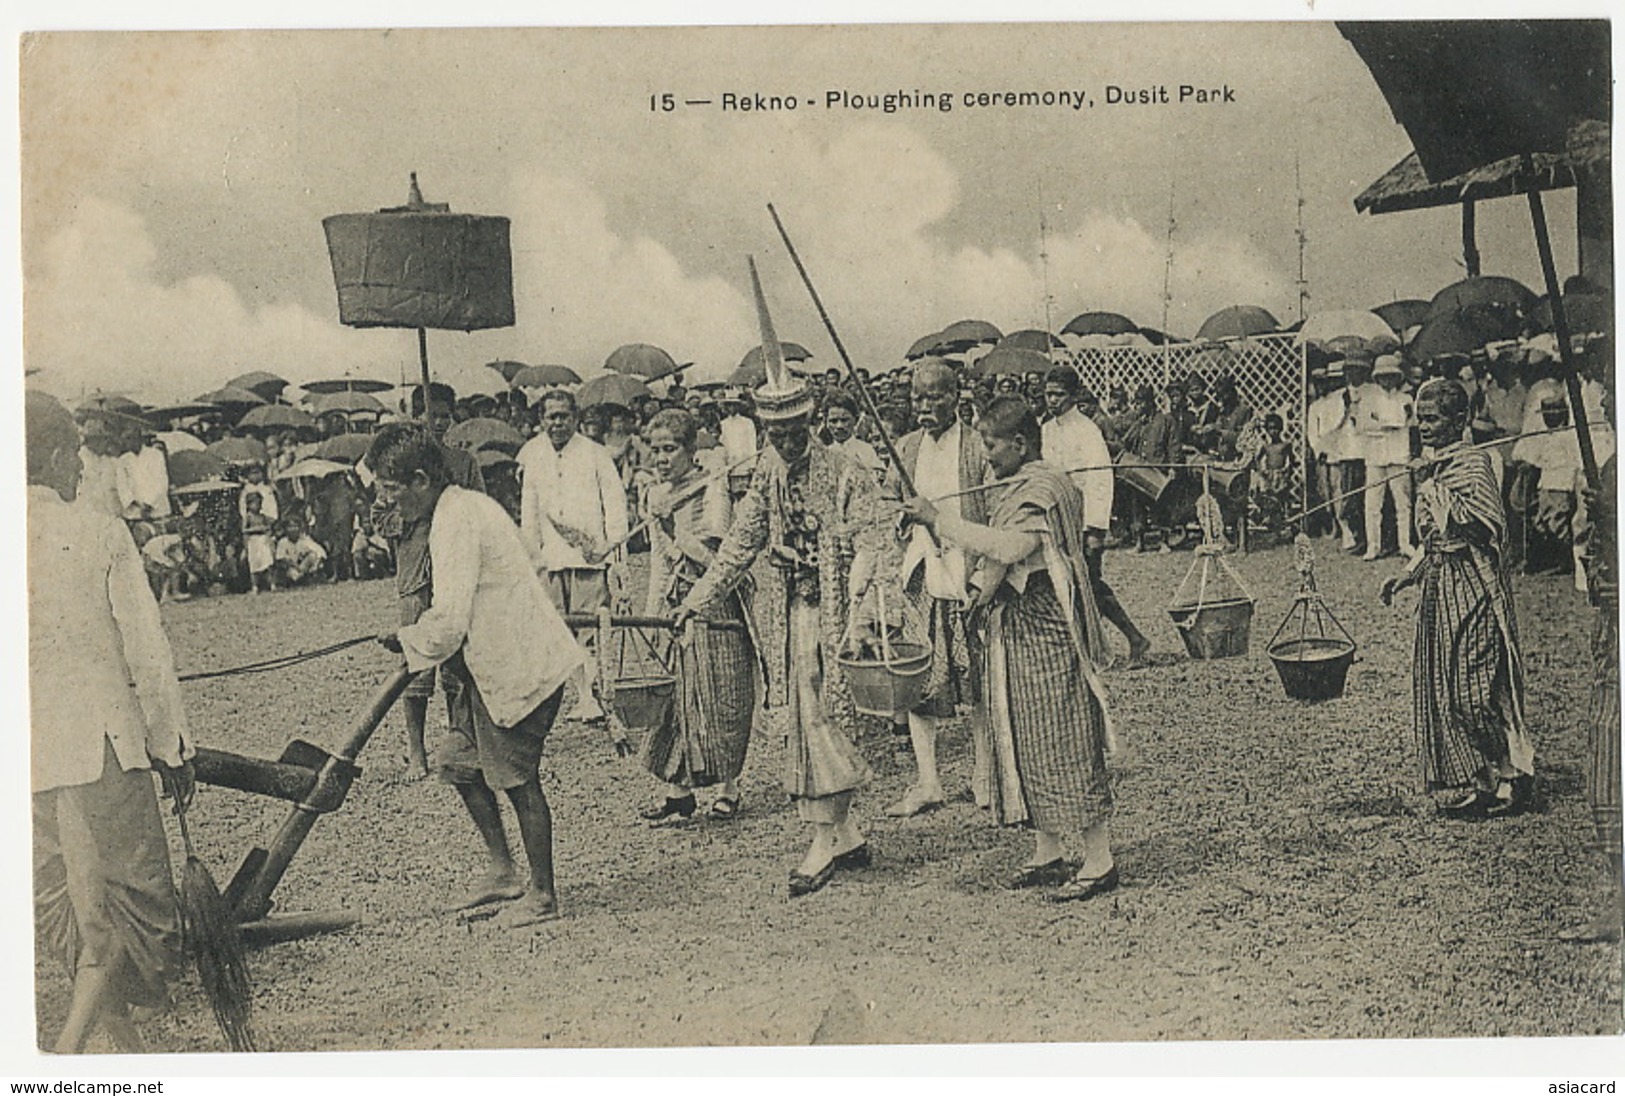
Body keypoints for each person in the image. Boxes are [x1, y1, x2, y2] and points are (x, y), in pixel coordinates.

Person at [672, 355, 892, 897]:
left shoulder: (845, 470)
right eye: (776, 434)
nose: (787, 443)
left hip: (839, 614)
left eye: (795, 432)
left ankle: (822, 840)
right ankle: (845, 833)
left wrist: (863, 611)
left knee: (825, 717)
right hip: (790, 616)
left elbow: (873, 542)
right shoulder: (767, 472)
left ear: (811, 424)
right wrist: (697, 601)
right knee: (802, 715)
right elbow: (739, 545)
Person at [28, 390, 193, 1053]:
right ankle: (69, 1050)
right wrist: (172, 746)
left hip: (30, 756)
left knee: (66, 902)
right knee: (134, 903)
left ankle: (122, 1050)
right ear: (62, 456)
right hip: (103, 747)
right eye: (75, 454)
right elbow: (147, 652)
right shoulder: (97, 529)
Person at [902, 397, 1119, 901]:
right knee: (1024, 737)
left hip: (1048, 628)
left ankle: (1099, 860)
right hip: (1016, 627)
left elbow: (1008, 548)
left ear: (1020, 444)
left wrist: (938, 519)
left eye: (991, 444)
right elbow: (997, 558)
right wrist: (979, 589)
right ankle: (1048, 852)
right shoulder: (1019, 483)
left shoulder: (1044, 486)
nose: (985, 454)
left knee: (1064, 738)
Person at [371, 424, 586, 929]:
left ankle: (542, 894)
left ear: (420, 480)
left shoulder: (458, 521)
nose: (387, 501)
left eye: (390, 488)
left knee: (516, 779)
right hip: (483, 665)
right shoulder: (457, 508)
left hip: (515, 662)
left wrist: (407, 638)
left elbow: (448, 621)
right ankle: (502, 870)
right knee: (457, 761)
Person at [1380, 379, 1534, 818]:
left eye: (1432, 419)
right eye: (1419, 418)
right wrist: (1406, 576)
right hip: (1441, 588)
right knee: (1448, 692)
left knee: (1474, 691)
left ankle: (1515, 776)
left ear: (1459, 420)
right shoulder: (1436, 466)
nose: (1422, 426)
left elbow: (1486, 531)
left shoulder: (1473, 465)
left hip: (1476, 588)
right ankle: (1485, 780)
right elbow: (1433, 541)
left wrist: (1434, 489)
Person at [637, 409, 762, 822]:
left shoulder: (714, 487)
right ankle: (679, 792)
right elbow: (659, 562)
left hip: (716, 603)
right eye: (655, 450)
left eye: (670, 449)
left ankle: (729, 787)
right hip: (675, 605)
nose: (661, 458)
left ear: (691, 451)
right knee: (676, 697)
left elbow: (719, 556)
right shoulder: (656, 496)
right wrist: (652, 614)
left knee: (722, 694)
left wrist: (675, 531)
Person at [883, 358, 991, 817]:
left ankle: (985, 775)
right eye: (917, 398)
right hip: (919, 576)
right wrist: (901, 517)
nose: (924, 407)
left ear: (956, 396)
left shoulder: (978, 448)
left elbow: (992, 512)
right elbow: (887, 504)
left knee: (979, 680)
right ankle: (928, 781)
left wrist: (983, 575)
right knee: (917, 680)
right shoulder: (905, 448)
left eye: (934, 397)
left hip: (969, 573)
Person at [376, 383, 487, 779]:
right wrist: (417, 510)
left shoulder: (462, 462)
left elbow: (479, 510)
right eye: (428, 414)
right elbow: (381, 519)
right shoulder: (396, 463)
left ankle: (464, 741)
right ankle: (416, 750)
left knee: (459, 664)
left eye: (443, 415)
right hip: (415, 576)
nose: (436, 422)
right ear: (412, 414)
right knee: (416, 666)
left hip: (454, 573)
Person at [518, 389, 629, 725]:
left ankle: (593, 698)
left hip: (589, 559)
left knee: (591, 629)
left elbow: (615, 506)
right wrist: (531, 558)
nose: (558, 423)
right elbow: (530, 512)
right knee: (559, 631)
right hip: (551, 559)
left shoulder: (596, 454)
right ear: (541, 420)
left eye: (564, 416)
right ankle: (580, 695)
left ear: (576, 418)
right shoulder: (533, 456)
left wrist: (615, 553)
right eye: (551, 416)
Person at [1042, 366, 1151, 668]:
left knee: (1090, 583)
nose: (1052, 401)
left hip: (1084, 518)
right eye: (1048, 394)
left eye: (1058, 395)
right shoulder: (1047, 429)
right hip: (1057, 517)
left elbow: (1101, 480)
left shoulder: (1087, 431)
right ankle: (1083, 648)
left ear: (1074, 395)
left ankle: (1135, 639)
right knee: (1064, 582)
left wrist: (1095, 528)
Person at [1358, 355, 1416, 561]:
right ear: (1377, 378)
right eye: (1383, 377)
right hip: (1375, 456)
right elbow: (1363, 427)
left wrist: (1384, 422)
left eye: (1391, 376)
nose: (1387, 381)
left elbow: (1408, 423)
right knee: (1373, 504)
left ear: (1398, 377)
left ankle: (1405, 544)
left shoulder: (1406, 400)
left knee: (1403, 503)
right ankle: (1373, 546)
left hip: (1399, 455)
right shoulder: (1368, 400)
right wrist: (1388, 425)